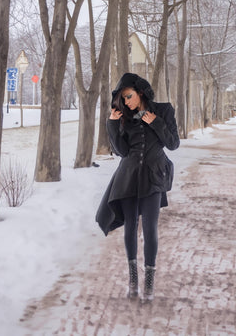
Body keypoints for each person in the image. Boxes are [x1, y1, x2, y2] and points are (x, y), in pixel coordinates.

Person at [95, 72, 180, 303]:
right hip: (129, 176)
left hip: (153, 177)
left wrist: (156, 122)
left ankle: (149, 283)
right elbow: (122, 152)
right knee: (130, 226)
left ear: (140, 92)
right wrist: (112, 124)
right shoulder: (124, 118)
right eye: (124, 99)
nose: (128, 102)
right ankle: (133, 280)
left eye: (129, 96)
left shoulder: (163, 110)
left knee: (150, 228)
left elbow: (173, 143)